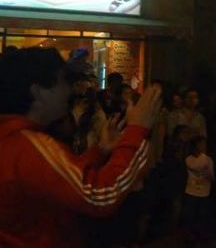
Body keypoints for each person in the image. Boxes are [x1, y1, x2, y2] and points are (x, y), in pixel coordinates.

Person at [0, 47, 162, 248]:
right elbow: (100, 196)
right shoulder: (27, 146)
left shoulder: (12, 138)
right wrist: (138, 130)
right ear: (38, 91)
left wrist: (100, 150)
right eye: (62, 81)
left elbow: (60, 181)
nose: (69, 89)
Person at [184, 135, 214, 242]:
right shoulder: (202, 159)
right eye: (202, 144)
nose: (204, 146)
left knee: (197, 215)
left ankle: (195, 235)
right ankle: (193, 236)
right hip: (195, 191)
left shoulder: (189, 159)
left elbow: (211, 176)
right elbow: (211, 175)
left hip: (199, 191)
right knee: (195, 215)